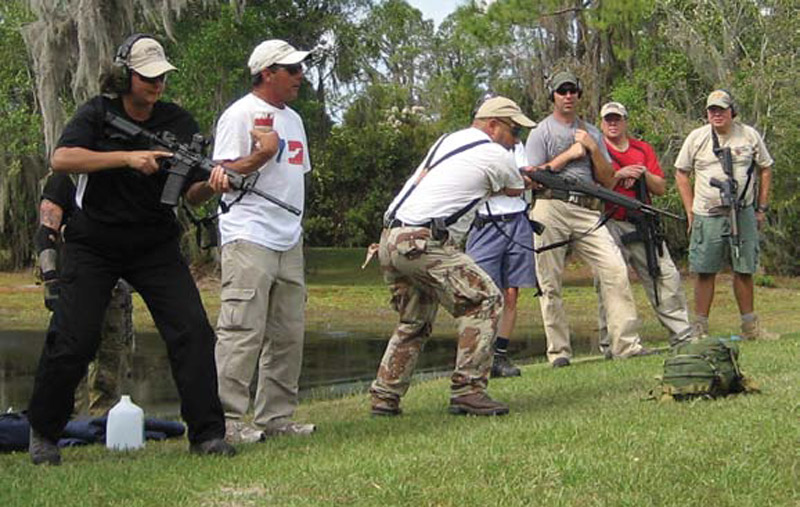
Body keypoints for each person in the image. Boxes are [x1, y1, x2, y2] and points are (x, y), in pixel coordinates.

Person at [27, 34, 234, 465]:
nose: (156, 84)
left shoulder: (178, 121)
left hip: (154, 243)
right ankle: (44, 432)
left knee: (192, 331)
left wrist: (212, 184)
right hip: (94, 243)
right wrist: (126, 158)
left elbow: (190, 195)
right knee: (73, 338)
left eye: (161, 76)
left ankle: (208, 434)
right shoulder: (97, 113)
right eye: (147, 76)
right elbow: (61, 160)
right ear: (124, 76)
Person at [369, 96, 534, 417]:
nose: (516, 141)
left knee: (414, 321)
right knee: (486, 299)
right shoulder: (492, 151)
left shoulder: (449, 140)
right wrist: (535, 178)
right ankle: (468, 390)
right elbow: (517, 186)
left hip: (391, 238)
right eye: (514, 132)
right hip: (423, 241)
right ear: (493, 125)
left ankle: (384, 397)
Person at [209, 39, 314, 444]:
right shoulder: (240, 114)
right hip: (248, 234)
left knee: (288, 332)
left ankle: (277, 417)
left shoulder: (295, 120)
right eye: (291, 70)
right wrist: (260, 155)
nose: (300, 76)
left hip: (289, 238)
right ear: (267, 73)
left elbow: (294, 177)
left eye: (300, 69)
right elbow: (219, 177)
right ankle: (228, 419)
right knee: (242, 329)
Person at [525, 71, 652, 367]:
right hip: (550, 206)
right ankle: (559, 352)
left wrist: (593, 148)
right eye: (561, 91)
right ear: (553, 96)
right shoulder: (540, 132)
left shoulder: (592, 132)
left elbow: (608, 181)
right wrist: (569, 155)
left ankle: (626, 345)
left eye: (572, 90)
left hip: (587, 209)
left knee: (615, 270)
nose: (568, 95)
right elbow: (532, 178)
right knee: (549, 282)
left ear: (579, 95)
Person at [674, 90, 778, 340]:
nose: (717, 114)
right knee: (704, 270)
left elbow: (766, 168)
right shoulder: (697, 138)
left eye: (721, 109)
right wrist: (690, 211)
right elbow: (681, 173)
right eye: (712, 110)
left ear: (732, 111)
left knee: (744, 269)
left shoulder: (749, 135)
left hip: (743, 212)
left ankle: (750, 328)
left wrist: (761, 208)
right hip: (707, 214)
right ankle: (699, 329)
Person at [35, 172, 135, 417]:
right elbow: (45, 234)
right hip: (76, 281)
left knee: (113, 357)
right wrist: (51, 279)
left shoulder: (116, 176)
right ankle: (68, 419)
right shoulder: (62, 179)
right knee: (70, 352)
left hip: (115, 283)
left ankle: (104, 420)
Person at [596, 101, 692, 353]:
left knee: (665, 277)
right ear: (601, 123)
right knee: (610, 282)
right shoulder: (596, 150)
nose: (613, 123)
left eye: (617, 119)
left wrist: (641, 173)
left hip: (642, 223)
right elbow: (594, 185)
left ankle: (683, 338)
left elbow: (660, 187)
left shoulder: (642, 149)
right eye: (608, 120)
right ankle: (612, 344)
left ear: (625, 121)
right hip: (609, 223)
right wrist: (619, 174)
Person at [465, 139, 536, 378]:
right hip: (486, 222)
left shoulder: (516, 145)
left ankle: (499, 356)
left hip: (517, 220)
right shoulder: (475, 147)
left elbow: (526, 180)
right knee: (482, 292)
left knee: (511, 293)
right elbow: (476, 185)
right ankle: (476, 358)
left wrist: (507, 185)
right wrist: (510, 184)